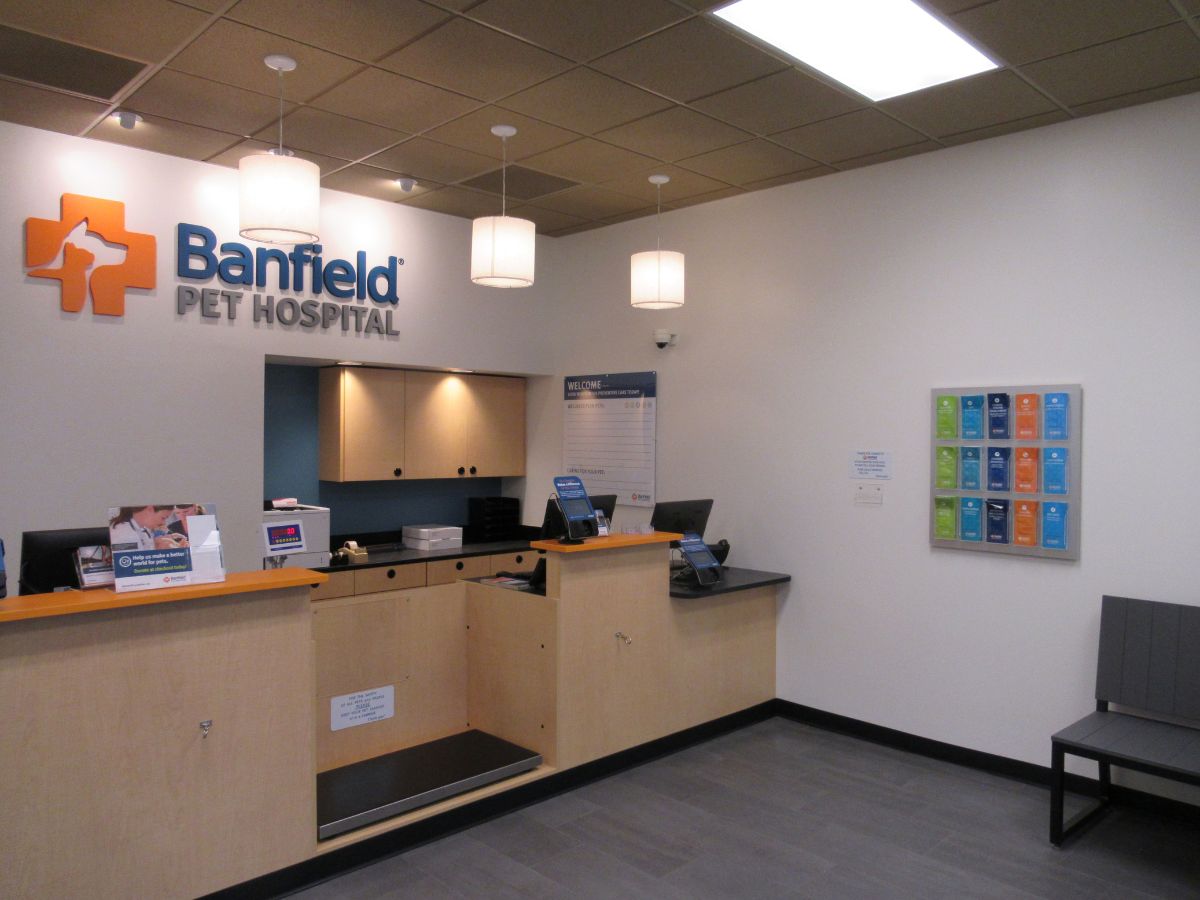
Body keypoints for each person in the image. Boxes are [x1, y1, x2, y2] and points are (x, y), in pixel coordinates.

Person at [108, 506, 184, 550]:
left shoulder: (143, 529)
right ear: (150, 509)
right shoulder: (124, 534)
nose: (163, 523)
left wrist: (156, 544)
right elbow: (129, 570)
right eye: (163, 518)